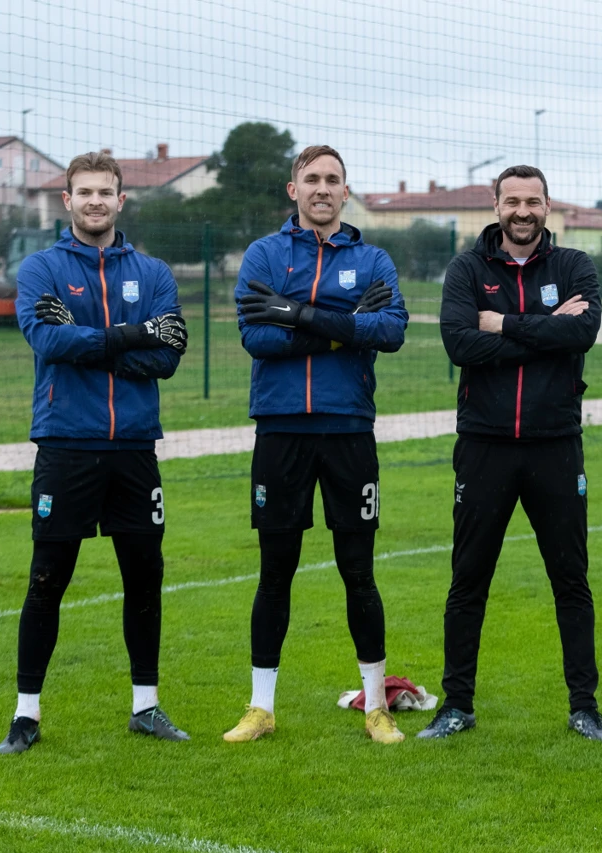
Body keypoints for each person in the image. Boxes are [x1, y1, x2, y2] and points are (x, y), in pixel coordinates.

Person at [0, 152, 190, 754]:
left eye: (105, 192)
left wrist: (95, 344)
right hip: (66, 445)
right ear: (67, 200)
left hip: (134, 448)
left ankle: (146, 707)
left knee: (144, 579)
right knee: (47, 579)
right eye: (84, 192)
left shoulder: (153, 272)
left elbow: (169, 356)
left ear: (121, 200)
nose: (95, 202)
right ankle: (26, 717)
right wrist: (135, 335)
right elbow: (47, 339)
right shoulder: (41, 269)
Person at [224, 145, 408, 745]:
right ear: (293, 189)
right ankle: (261, 707)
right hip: (280, 431)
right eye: (312, 179)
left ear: (345, 191)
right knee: (275, 574)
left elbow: (391, 330)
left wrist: (297, 313)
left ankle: (376, 705)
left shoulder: (373, 257)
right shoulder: (265, 254)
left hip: (349, 430)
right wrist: (338, 326)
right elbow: (257, 335)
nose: (322, 189)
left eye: (333, 180)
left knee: (360, 572)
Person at [420, 165, 602, 741]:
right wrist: (543, 331)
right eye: (512, 201)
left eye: (532, 201)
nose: (522, 211)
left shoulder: (575, 266)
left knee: (570, 580)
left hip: (556, 446)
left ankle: (585, 707)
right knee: (468, 580)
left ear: (548, 206)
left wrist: (502, 324)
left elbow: (580, 335)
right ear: (495, 204)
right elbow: (459, 343)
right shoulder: (467, 268)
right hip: (484, 446)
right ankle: (457, 705)